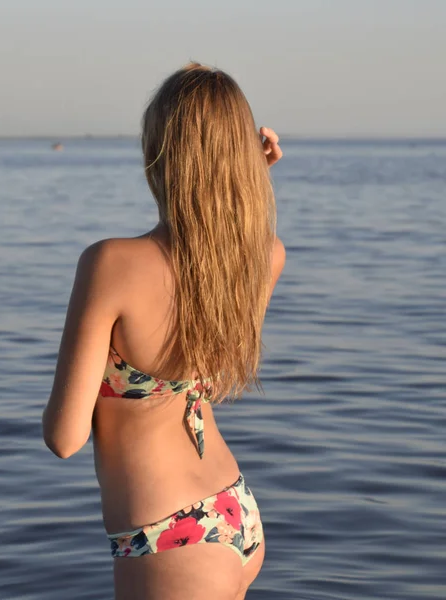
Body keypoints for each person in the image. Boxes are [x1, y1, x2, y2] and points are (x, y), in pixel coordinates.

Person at [42, 62, 286, 600]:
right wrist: (250, 174)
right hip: (234, 507)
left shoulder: (111, 265)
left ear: (161, 155)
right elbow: (224, 239)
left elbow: (65, 438)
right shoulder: (265, 258)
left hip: (168, 534)